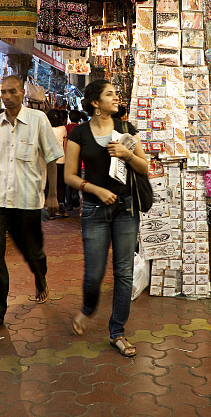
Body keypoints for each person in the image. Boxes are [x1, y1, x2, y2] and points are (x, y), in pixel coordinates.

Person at [64, 80, 149, 357]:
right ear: (95, 103)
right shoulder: (79, 134)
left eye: (116, 94)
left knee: (123, 273)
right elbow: (70, 176)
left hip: (126, 208)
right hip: (93, 210)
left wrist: (127, 154)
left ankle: (118, 332)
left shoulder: (126, 130)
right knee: (94, 273)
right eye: (109, 94)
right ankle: (88, 310)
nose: (116, 98)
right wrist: (96, 190)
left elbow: (144, 167)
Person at [0, 76, 64, 336]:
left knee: (32, 251)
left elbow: (51, 157)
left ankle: (40, 276)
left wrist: (53, 195)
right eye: (3, 92)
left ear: (23, 92)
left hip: (27, 200)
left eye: (12, 91)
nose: (7, 96)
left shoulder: (38, 121)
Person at [46, 109, 69, 218]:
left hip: (49, 160)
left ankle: (49, 211)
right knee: (61, 185)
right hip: (61, 160)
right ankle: (61, 209)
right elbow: (65, 145)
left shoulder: (46, 129)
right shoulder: (63, 129)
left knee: (48, 184)